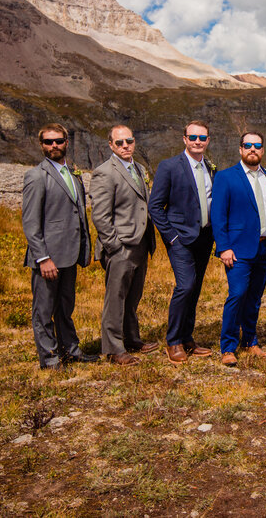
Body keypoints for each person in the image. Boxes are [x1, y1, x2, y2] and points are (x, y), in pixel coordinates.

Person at [21, 123, 98, 370]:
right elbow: (31, 223)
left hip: (70, 254)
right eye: (48, 142)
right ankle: (50, 358)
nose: (53, 146)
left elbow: (79, 215)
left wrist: (84, 249)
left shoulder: (74, 174)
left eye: (58, 141)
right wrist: (43, 258)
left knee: (65, 306)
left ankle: (71, 350)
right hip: (49, 257)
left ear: (67, 142)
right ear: (41, 145)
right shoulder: (36, 176)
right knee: (43, 311)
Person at [149, 121, 218, 364]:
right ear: (184, 139)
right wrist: (171, 237)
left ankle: (188, 338)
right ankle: (174, 341)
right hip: (180, 239)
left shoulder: (210, 167)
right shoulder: (169, 166)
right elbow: (155, 206)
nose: (198, 141)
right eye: (193, 137)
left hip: (204, 238)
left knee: (196, 288)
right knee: (185, 286)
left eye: (202, 138)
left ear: (208, 140)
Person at [90, 125, 157, 366]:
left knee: (133, 295)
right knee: (116, 298)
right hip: (122, 246)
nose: (125, 145)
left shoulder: (138, 168)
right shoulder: (104, 172)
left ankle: (131, 338)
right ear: (110, 145)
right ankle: (113, 348)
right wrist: (114, 246)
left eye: (129, 140)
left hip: (140, 242)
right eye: (119, 143)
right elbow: (100, 215)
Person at [212, 132, 266, 367]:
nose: (253, 149)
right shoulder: (226, 177)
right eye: (248, 145)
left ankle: (250, 341)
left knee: (255, 298)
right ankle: (228, 346)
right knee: (237, 295)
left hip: (264, 248)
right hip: (238, 250)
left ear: (262, 150)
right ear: (240, 149)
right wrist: (224, 247)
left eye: (257, 145)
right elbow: (218, 215)